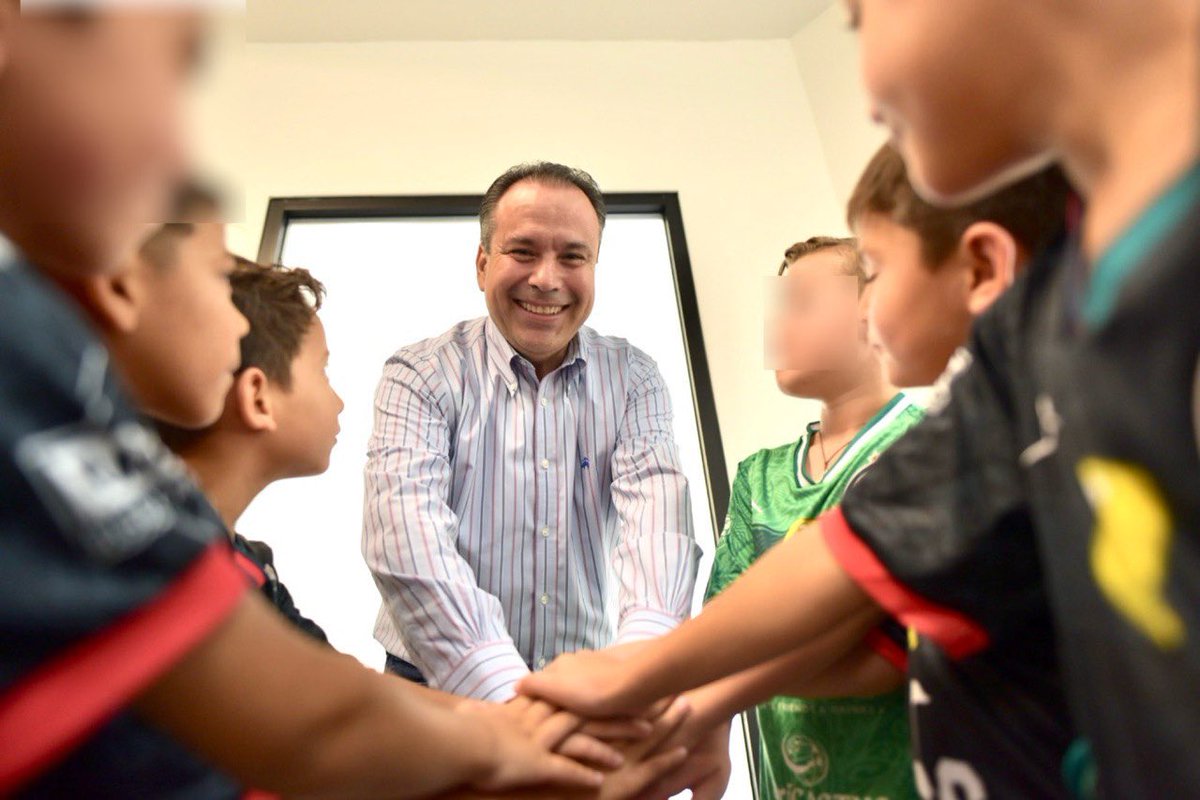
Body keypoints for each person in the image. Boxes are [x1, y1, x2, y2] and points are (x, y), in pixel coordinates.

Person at [521, 1, 1200, 795]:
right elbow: (860, 554)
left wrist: (652, 684)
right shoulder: (1035, 328)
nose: (866, 89)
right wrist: (665, 688)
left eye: (857, 17)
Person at [0, 7, 626, 797]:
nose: (233, 319)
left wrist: (539, 726)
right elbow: (325, 722)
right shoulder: (30, 368)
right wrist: (547, 740)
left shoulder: (228, 558)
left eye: (574, 255)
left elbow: (333, 694)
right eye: (208, 275)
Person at [363, 161, 702, 701]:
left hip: (588, 689)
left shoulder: (635, 379)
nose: (547, 278)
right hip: (432, 687)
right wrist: (506, 693)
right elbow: (407, 542)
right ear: (482, 263)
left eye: (573, 256)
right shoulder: (420, 374)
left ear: (595, 266)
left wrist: (637, 676)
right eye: (523, 252)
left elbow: (657, 535)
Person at [704, 236, 922, 800]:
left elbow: (901, 643)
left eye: (802, 303)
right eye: (778, 305)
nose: (778, 325)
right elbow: (721, 629)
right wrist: (706, 736)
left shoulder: (924, 447)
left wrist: (721, 687)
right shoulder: (758, 478)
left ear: (874, 308)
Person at [157, 258, 342, 644]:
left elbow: (340, 679)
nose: (339, 401)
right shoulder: (160, 568)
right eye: (323, 372)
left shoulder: (252, 568)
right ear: (258, 397)